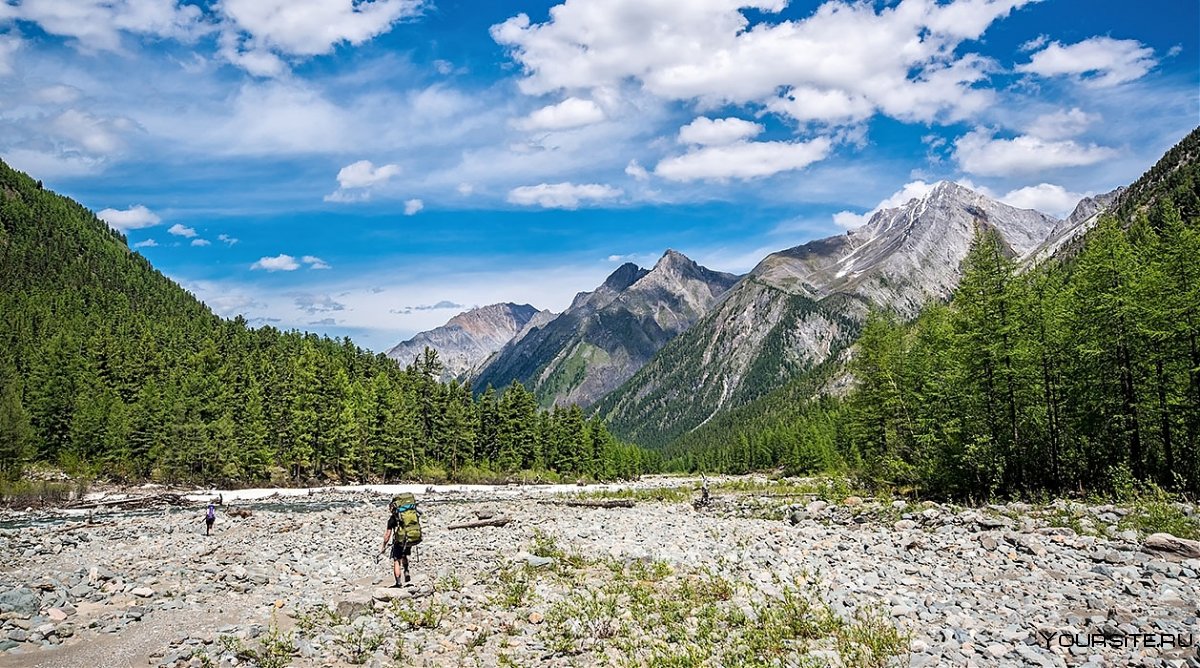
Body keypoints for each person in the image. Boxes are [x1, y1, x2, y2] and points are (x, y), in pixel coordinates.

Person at [379, 500, 412, 588]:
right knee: (404, 556)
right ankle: (406, 570)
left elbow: (387, 535)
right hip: (408, 540)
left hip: (398, 541)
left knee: (396, 560)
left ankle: (398, 583)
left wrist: (383, 546)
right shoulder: (406, 516)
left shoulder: (392, 519)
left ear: (392, 508)